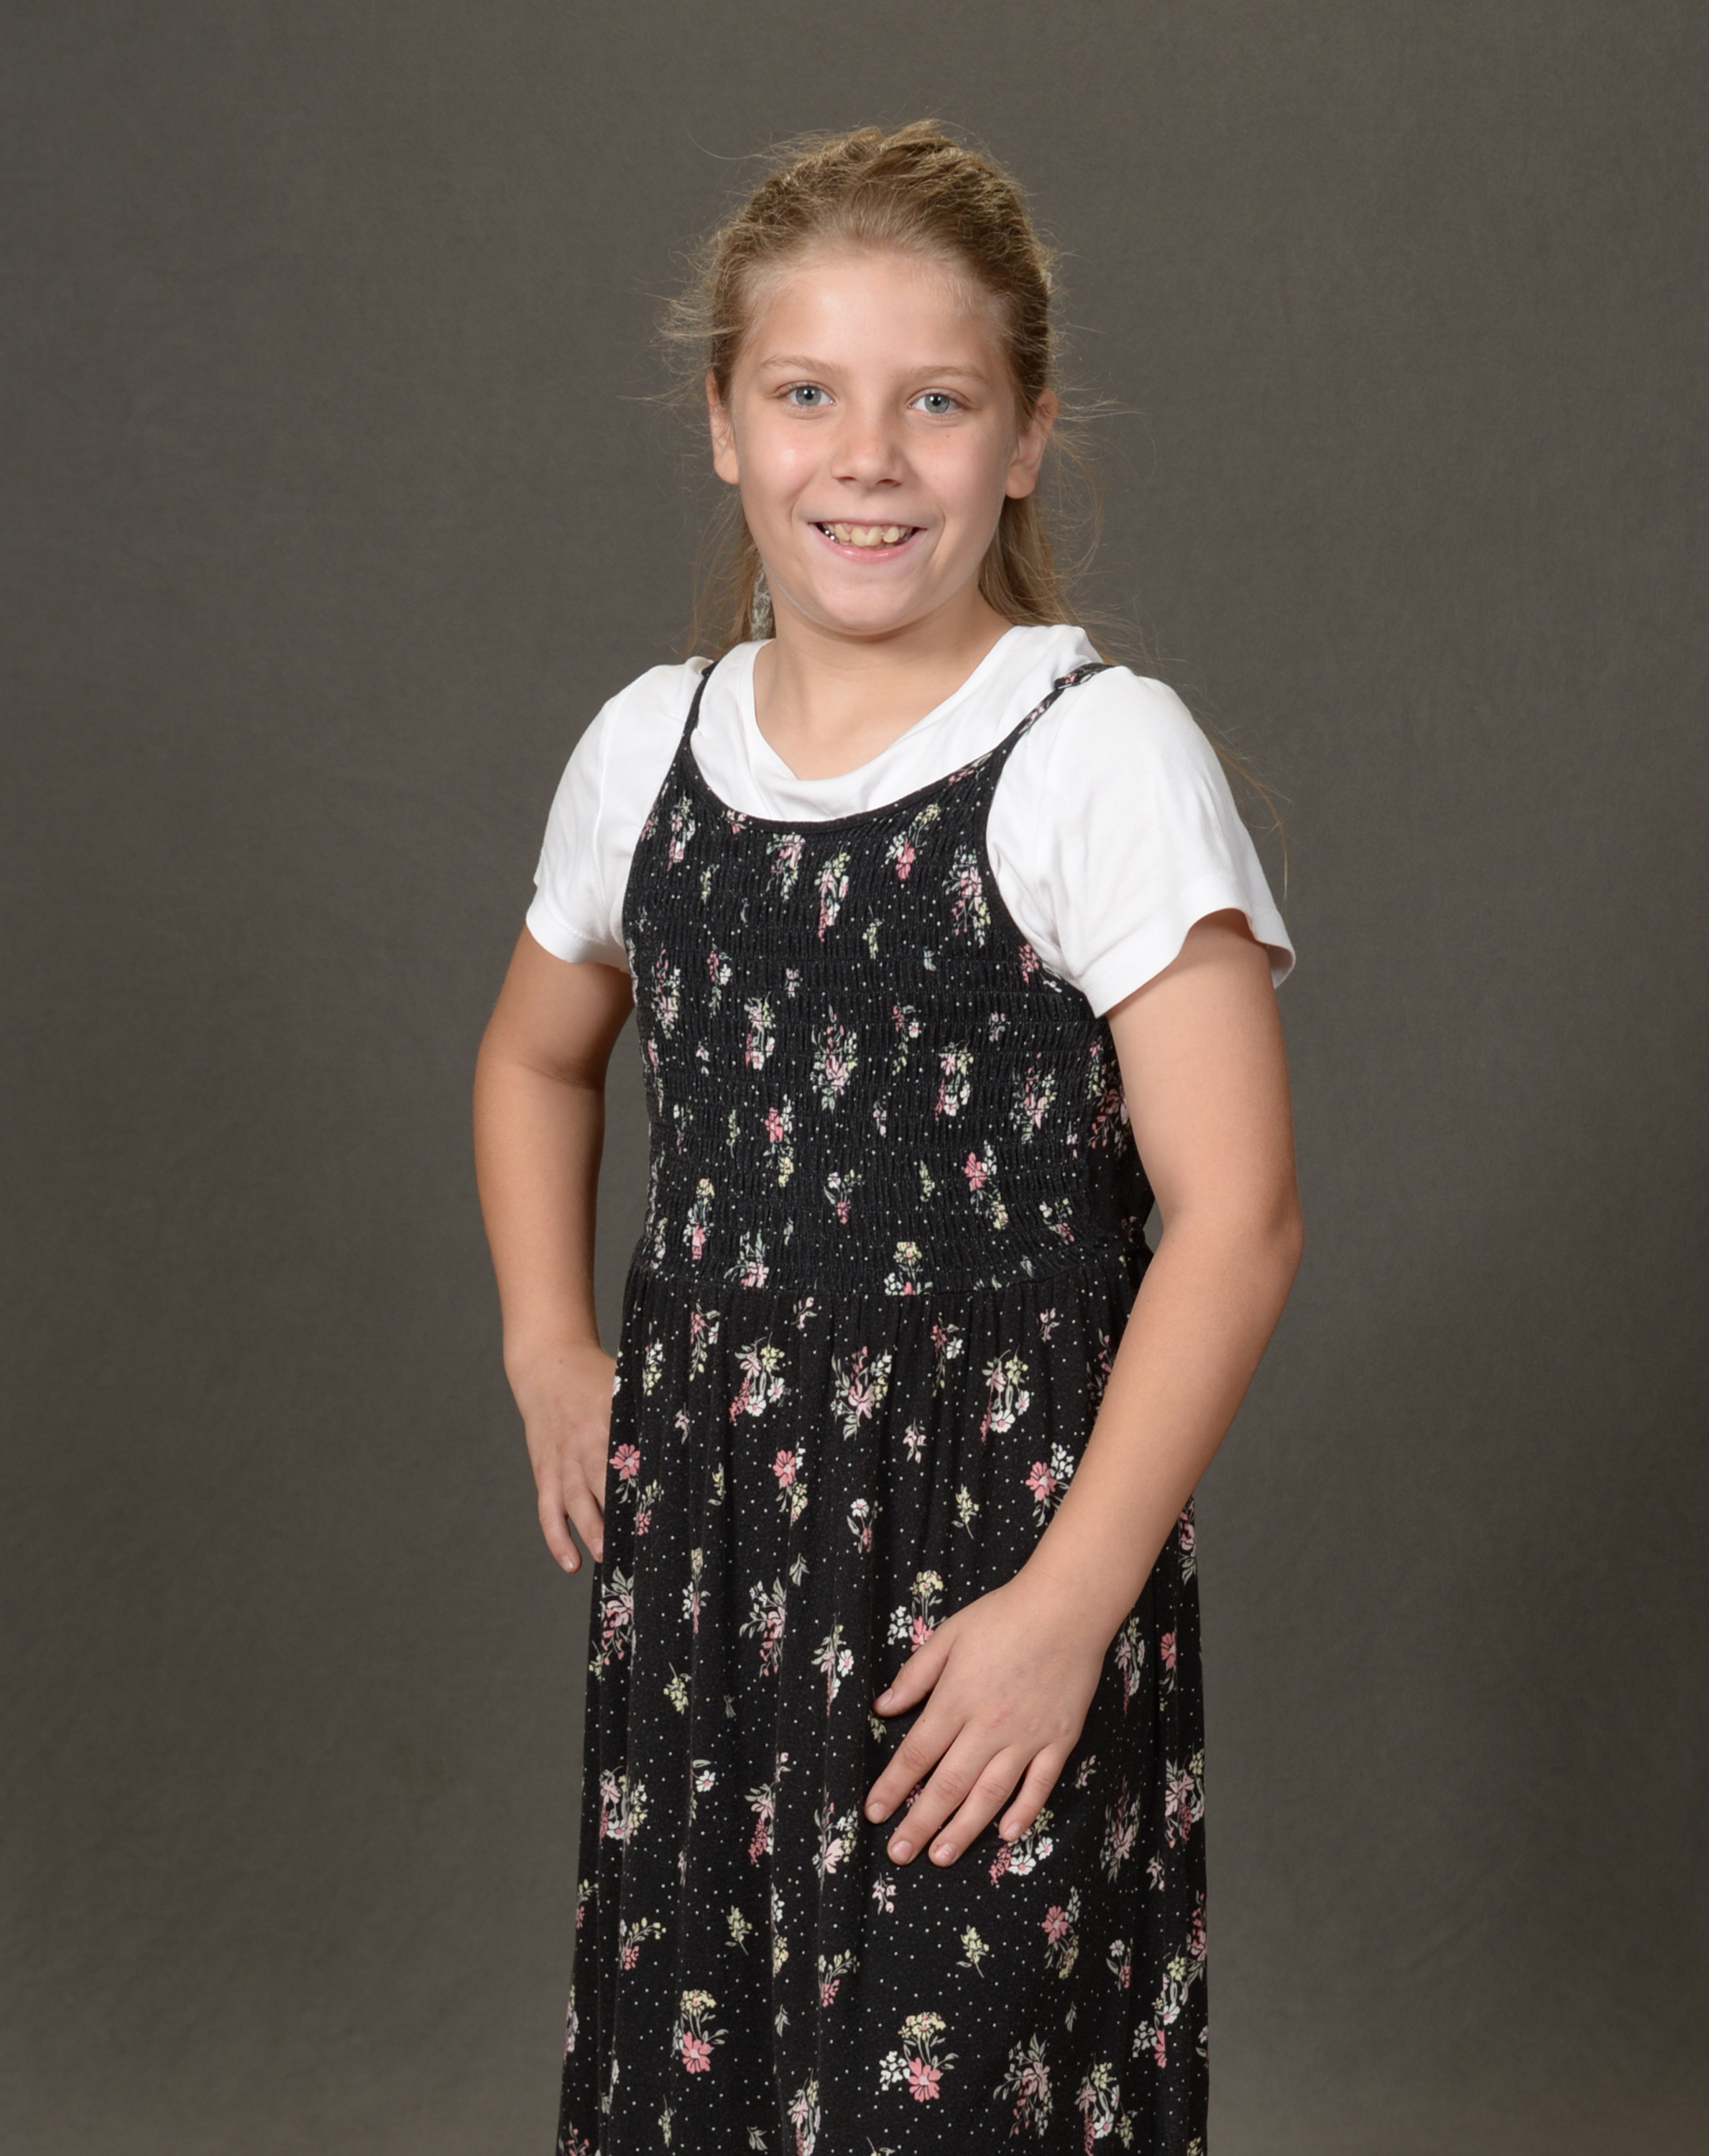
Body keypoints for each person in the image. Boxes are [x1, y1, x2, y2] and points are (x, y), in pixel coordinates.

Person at [474, 121, 1302, 2156]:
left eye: (936, 401)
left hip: (996, 1580)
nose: (868, 457)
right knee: (699, 2088)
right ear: (722, 425)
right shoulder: (648, 748)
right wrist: (551, 1343)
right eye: (806, 395)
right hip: (712, 1582)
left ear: (1024, 438)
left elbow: (1239, 1218)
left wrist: (1068, 1609)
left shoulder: (1098, 756)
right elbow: (536, 1061)